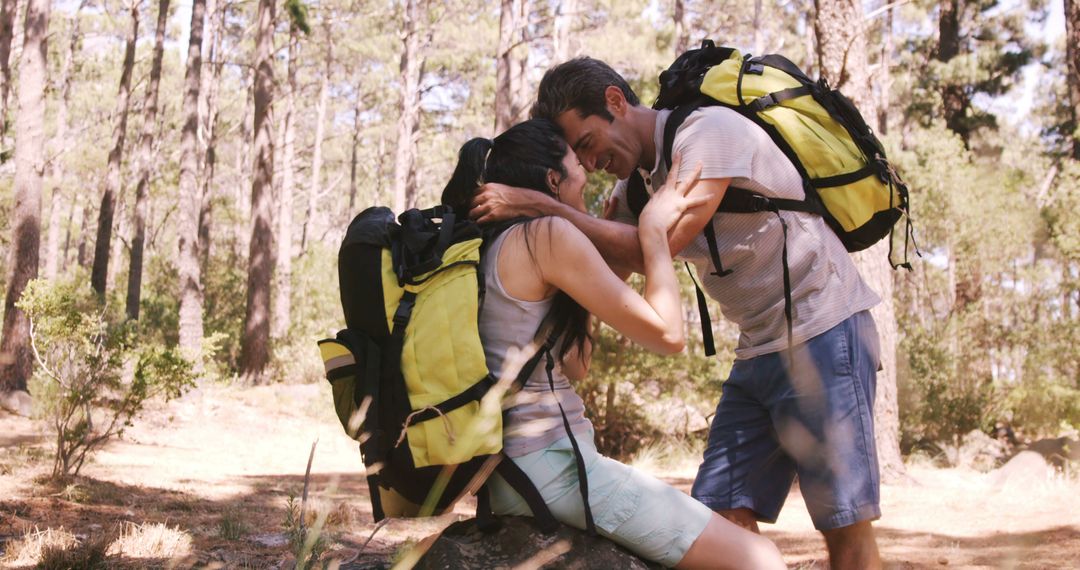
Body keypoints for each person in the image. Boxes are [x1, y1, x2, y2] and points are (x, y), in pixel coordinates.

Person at [469, 58, 884, 570]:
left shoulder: (709, 133)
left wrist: (544, 206)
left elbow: (660, 242)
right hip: (757, 347)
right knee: (722, 507)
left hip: (825, 325)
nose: (591, 163)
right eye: (577, 156)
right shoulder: (635, 189)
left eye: (587, 142)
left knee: (843, 522)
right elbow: (601, 265)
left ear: (616, 103)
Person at [441, 119, 785, 570]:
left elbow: (575, 362)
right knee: (761, 559)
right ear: (552, 181)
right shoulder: (546, 235)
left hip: (506, 474)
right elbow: (668, 336)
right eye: (577, 174)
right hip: (555, 468)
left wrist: (592, 263)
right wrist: (654, 234)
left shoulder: (486, 244)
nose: (586, 181)